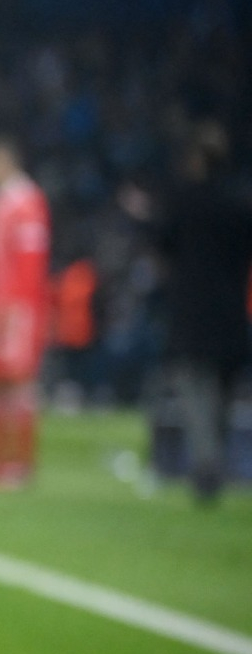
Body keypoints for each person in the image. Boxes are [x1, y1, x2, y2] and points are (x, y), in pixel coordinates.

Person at [123, 119, 252, 504]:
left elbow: (160, 242)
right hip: (232, 314)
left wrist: (142, 214)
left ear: (195, 159)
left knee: (195, 388)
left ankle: (208, 463)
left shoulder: (184, 201)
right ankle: (214, 458)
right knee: (224, 393)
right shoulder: (239, 204)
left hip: (193, 313)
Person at [0, 136, 51, 489]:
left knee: (18, 383)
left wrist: (13, 305)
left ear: (5, 162)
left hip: (18, 309)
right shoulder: (0, 202)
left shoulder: (27, 202)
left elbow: (31, 262)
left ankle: (20, 465)